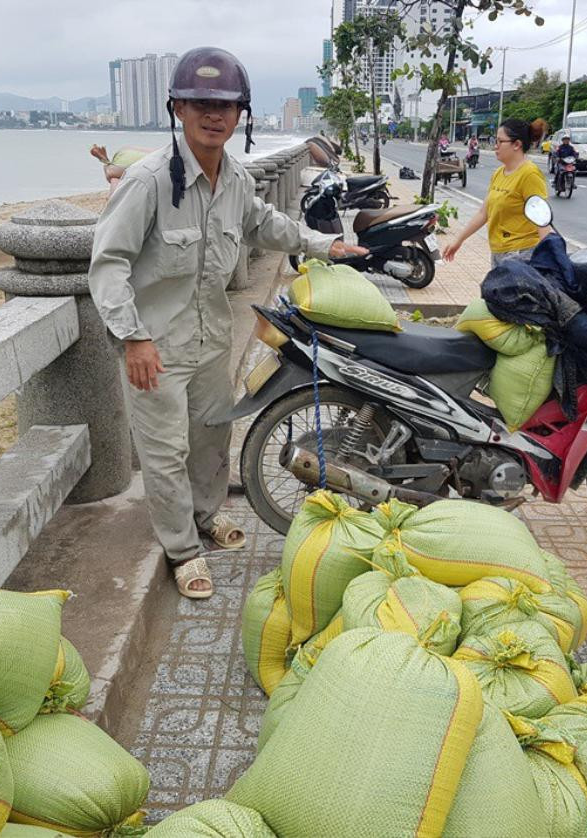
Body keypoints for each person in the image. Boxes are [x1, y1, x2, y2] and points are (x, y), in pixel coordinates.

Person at [88, 47, 366, 599]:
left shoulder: (235, 177)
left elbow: (268, 224)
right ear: (176, 109)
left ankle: (208, 513)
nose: (213, 115)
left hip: (212, 338)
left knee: (212, 436)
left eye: (225, 104)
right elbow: (108, 263)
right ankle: (182, 550)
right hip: (156, 346)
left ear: (242, 114)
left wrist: (326, 245)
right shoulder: (146, 183)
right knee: (164, 451)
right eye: (199, 104)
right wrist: (133, 337)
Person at [441, 119, 552, 268]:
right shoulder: (499, 173)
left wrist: (550, 257)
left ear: (517, 145)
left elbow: (542, 219)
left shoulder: (530, 174)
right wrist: (458, 240)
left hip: (522, 256)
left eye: (500, 142)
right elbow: (483, 213)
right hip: (499, 252)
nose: (495, 146)